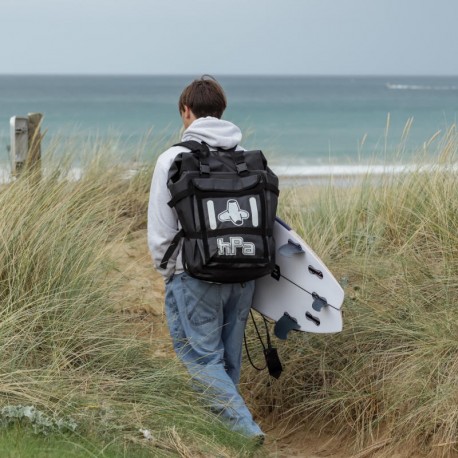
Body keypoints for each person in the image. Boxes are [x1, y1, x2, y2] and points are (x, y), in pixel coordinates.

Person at [147, 75, 264, 440]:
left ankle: (244, 433)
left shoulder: (173, 159)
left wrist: (169, 271)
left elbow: (161, 229)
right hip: (244, 272)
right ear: (221, 110)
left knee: (201, 361)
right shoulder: (246, 159)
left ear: (186, 112)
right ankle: (225, 437)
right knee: (227, 361)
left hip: (193, 275)